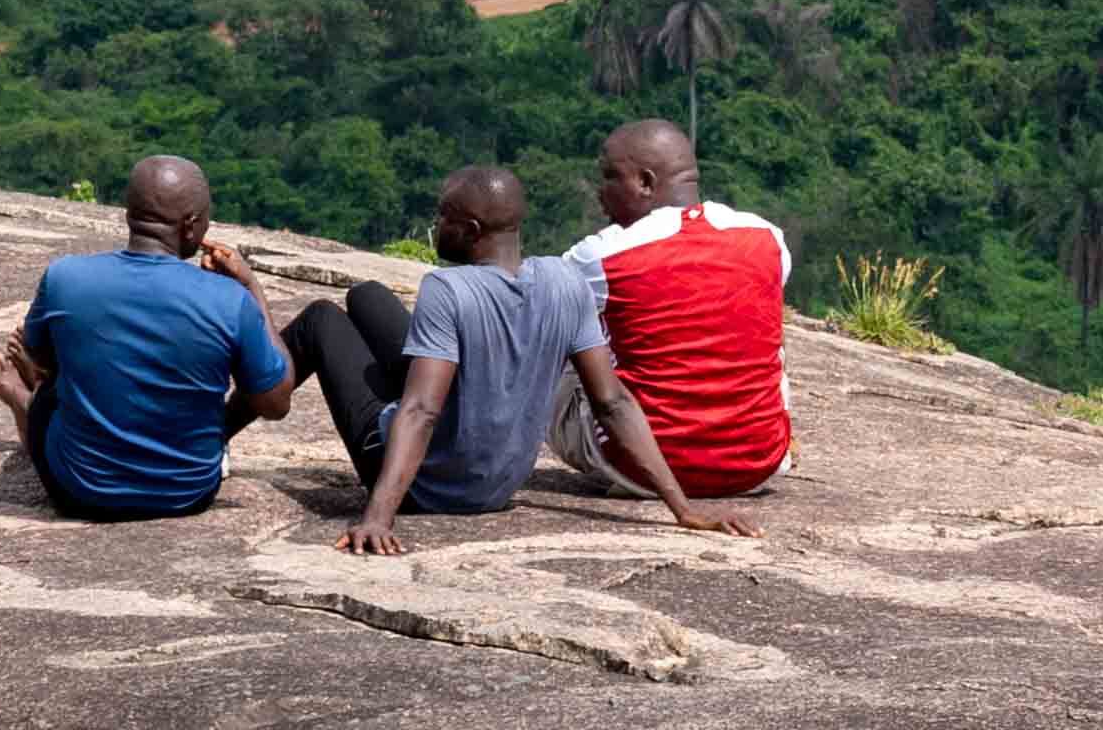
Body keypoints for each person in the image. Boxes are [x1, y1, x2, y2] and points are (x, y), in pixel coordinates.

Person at [288, 165, 753, 556]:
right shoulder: (566, 283)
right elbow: (612, 402)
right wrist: (683, 507)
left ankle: (216, 436)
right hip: (497, 485)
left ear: (470, 232)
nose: (437, 224)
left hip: (428, 487)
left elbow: (422, 411)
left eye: (444, 217)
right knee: (366, 296)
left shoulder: (446, 290)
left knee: (321, 320)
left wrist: (378, 517)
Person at [0, 155, 296, 520]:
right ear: (191, 226)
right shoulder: (229, 299)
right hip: (186, 492)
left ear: (128, 214)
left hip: (80, 492)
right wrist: (251, 287)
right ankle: (31, 400)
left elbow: (38, 354)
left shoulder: (65, 276)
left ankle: (25, 402)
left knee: (50, 388)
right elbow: (276, 404)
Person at [566, 119, 796, 498]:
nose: (599, 193)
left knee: (566, 335)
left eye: (609, 177)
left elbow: (536, 306)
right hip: (757, 467)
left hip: (637, 470)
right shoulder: (766, 237)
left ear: (645, 182)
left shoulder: (602, 255)